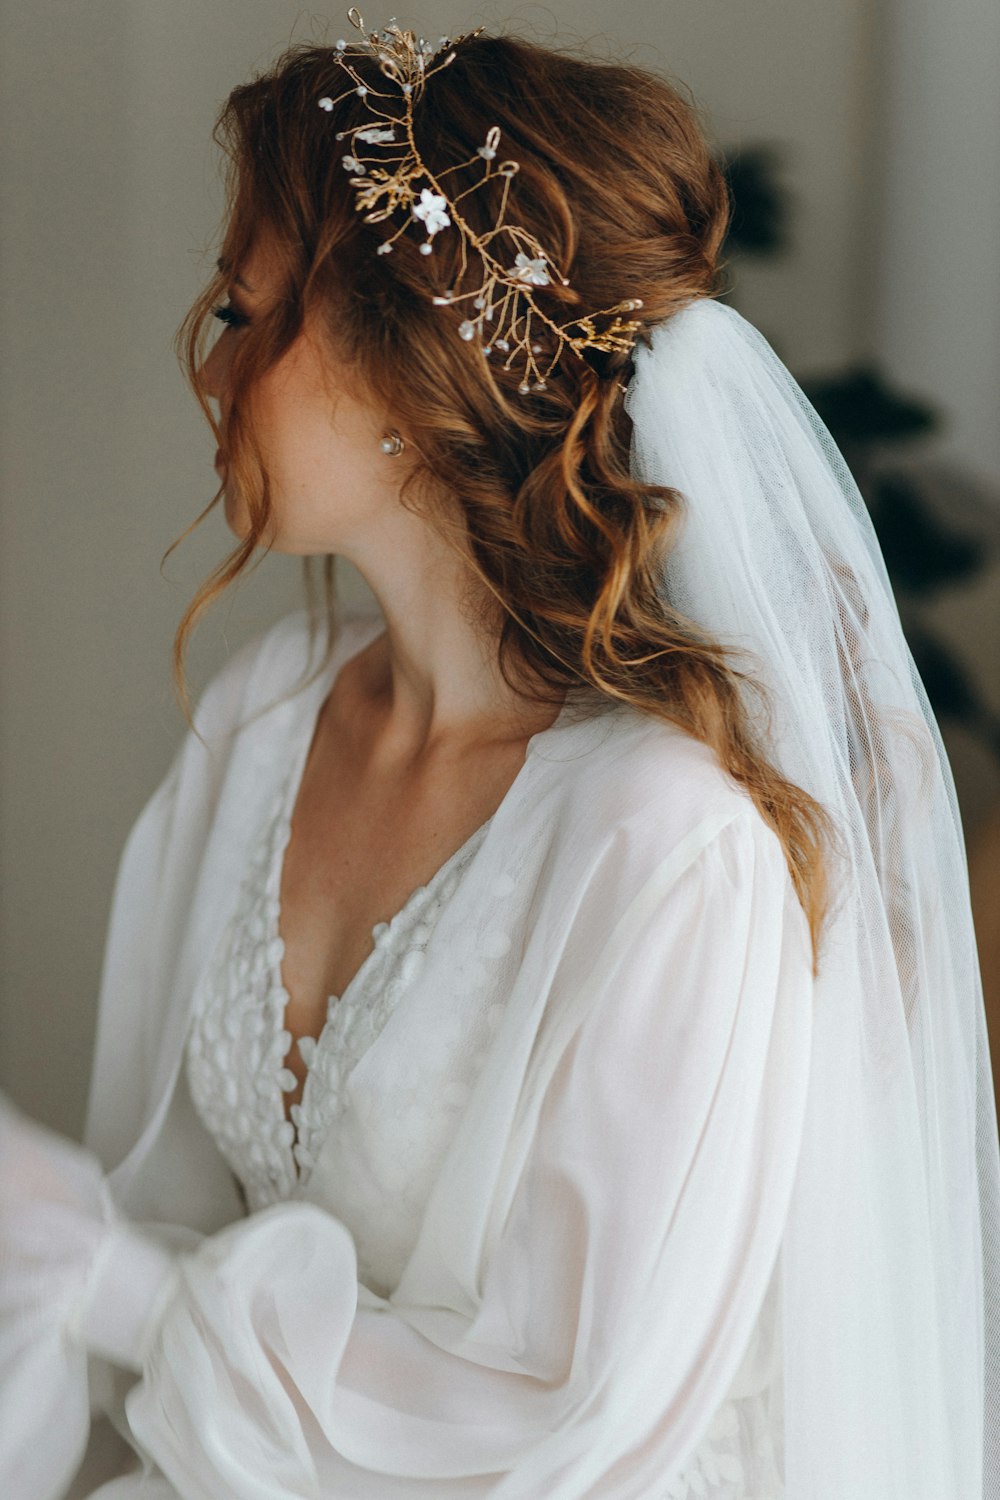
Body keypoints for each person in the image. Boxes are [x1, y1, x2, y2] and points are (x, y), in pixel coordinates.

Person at [1, 15, 997, 1500]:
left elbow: (569, 1422)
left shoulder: (671, 846)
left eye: (252, 314)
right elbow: (158, 1212)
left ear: (416, 369)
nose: (214, 373)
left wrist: (108, 1280)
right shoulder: (262, 721)